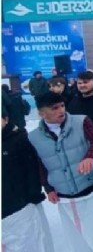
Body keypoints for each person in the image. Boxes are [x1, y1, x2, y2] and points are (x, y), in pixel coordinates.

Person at [29, 91, 93, 249]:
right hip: (64, 195)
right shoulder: (34, 137)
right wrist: (48, 189)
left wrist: (90, 156)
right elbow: (40, 164)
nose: (61, 110)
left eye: (62, 106)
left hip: (91, 188)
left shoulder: (81, 121)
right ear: (42, 113)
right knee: (78, 238)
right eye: (54, 108)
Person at [2, 107, 54, 252]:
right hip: (5, 207)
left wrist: (33, 195)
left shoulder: (19, 139)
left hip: (23, 203)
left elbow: (32, 168)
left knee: (35, 240)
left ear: (5, 119)